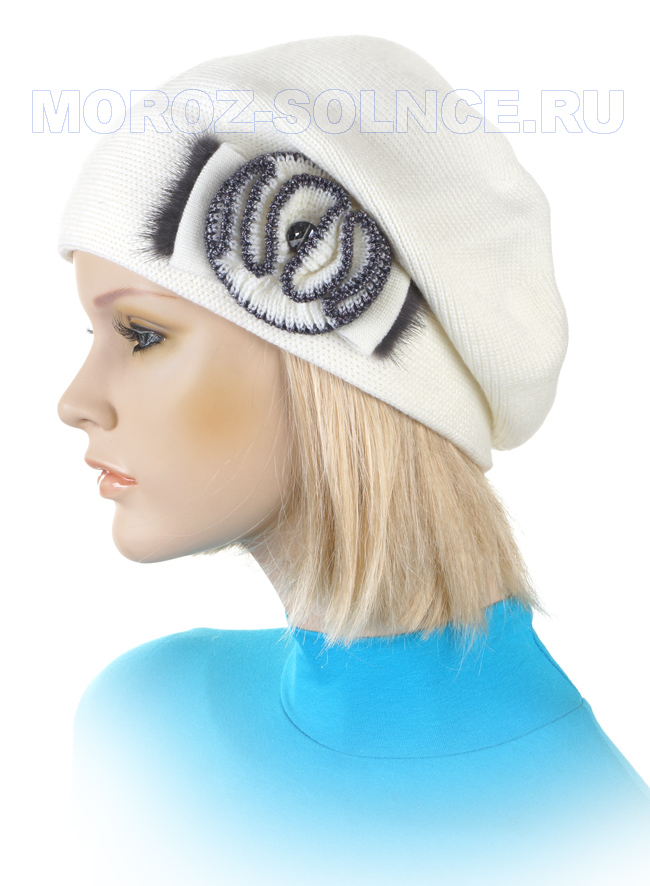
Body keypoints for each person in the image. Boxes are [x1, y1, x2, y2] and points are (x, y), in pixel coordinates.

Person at [56, 36, 650, 886]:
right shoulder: (142, 727)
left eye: (142, 334)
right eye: (93, 333)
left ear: (335, 373)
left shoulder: (599, 842)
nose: (77, 400)